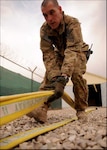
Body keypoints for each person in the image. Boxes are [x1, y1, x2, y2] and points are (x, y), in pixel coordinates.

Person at [27, 0, 89, 123]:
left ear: (60, 10)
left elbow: (72, 50)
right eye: (45, 15)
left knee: (76, 73)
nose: (49, 19)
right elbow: (48, 54)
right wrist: (55, 78)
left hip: (78, 51)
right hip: (60, 53)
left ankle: (81, 109)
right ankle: (41, 109)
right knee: (50, 76)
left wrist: (64, 77)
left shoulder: (72, 23)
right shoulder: (45, 29)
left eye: (52, 13)